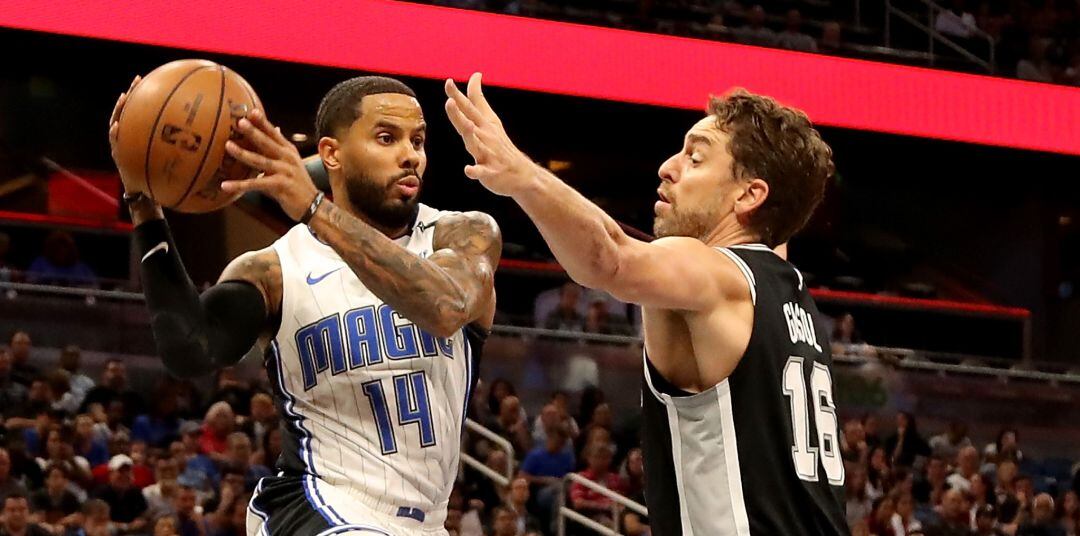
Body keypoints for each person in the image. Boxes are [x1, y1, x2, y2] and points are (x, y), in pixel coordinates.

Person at [445, 73, 844, 534]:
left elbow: (610, 257)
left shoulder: (719, 275)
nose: (668, 167)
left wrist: (520, 173)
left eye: (695, 158)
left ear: (750, 195)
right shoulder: (794, 298)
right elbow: (783, 209)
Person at [109, 73, 501, 535]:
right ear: (332, 154)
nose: (410, 154)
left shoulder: (462, 236)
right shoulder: (275, 270)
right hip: (315, 505)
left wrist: (314, 206)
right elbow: (190, 350)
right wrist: (142, 203)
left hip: (423, 522)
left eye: (417, 140)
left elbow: (445, 306)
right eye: (386, 137)